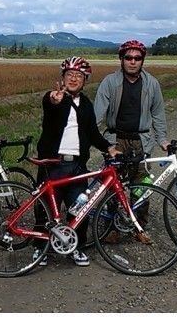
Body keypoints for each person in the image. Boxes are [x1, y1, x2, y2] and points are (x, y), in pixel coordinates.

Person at [34, 56, 120, 267]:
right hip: (53, 164)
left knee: (79, 208)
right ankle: (40, 248)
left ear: (85, 80)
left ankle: (76, 247)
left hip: (77, 166)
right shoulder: (54, 98)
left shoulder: (87, 105)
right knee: (45, 209)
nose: (73, 79)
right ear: (62, 78)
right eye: (69, 75)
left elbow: (92, 133)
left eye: (78, 76)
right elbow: (51, 106)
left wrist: (108, 147)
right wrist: (55, 100)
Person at [93, 39, 170, 242]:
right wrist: (87, 136)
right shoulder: (110, 82)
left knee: (141, 184)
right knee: (112, 184)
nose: (133, 62)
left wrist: (162, 139)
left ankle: (139, 227)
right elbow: (96, 114)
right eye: (128, 57)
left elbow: (158, 114)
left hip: (141, 140)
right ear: (121, 59)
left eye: (137, 58)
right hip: (115, 139)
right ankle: (113, 228)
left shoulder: (152, 83)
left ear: (142, 60)